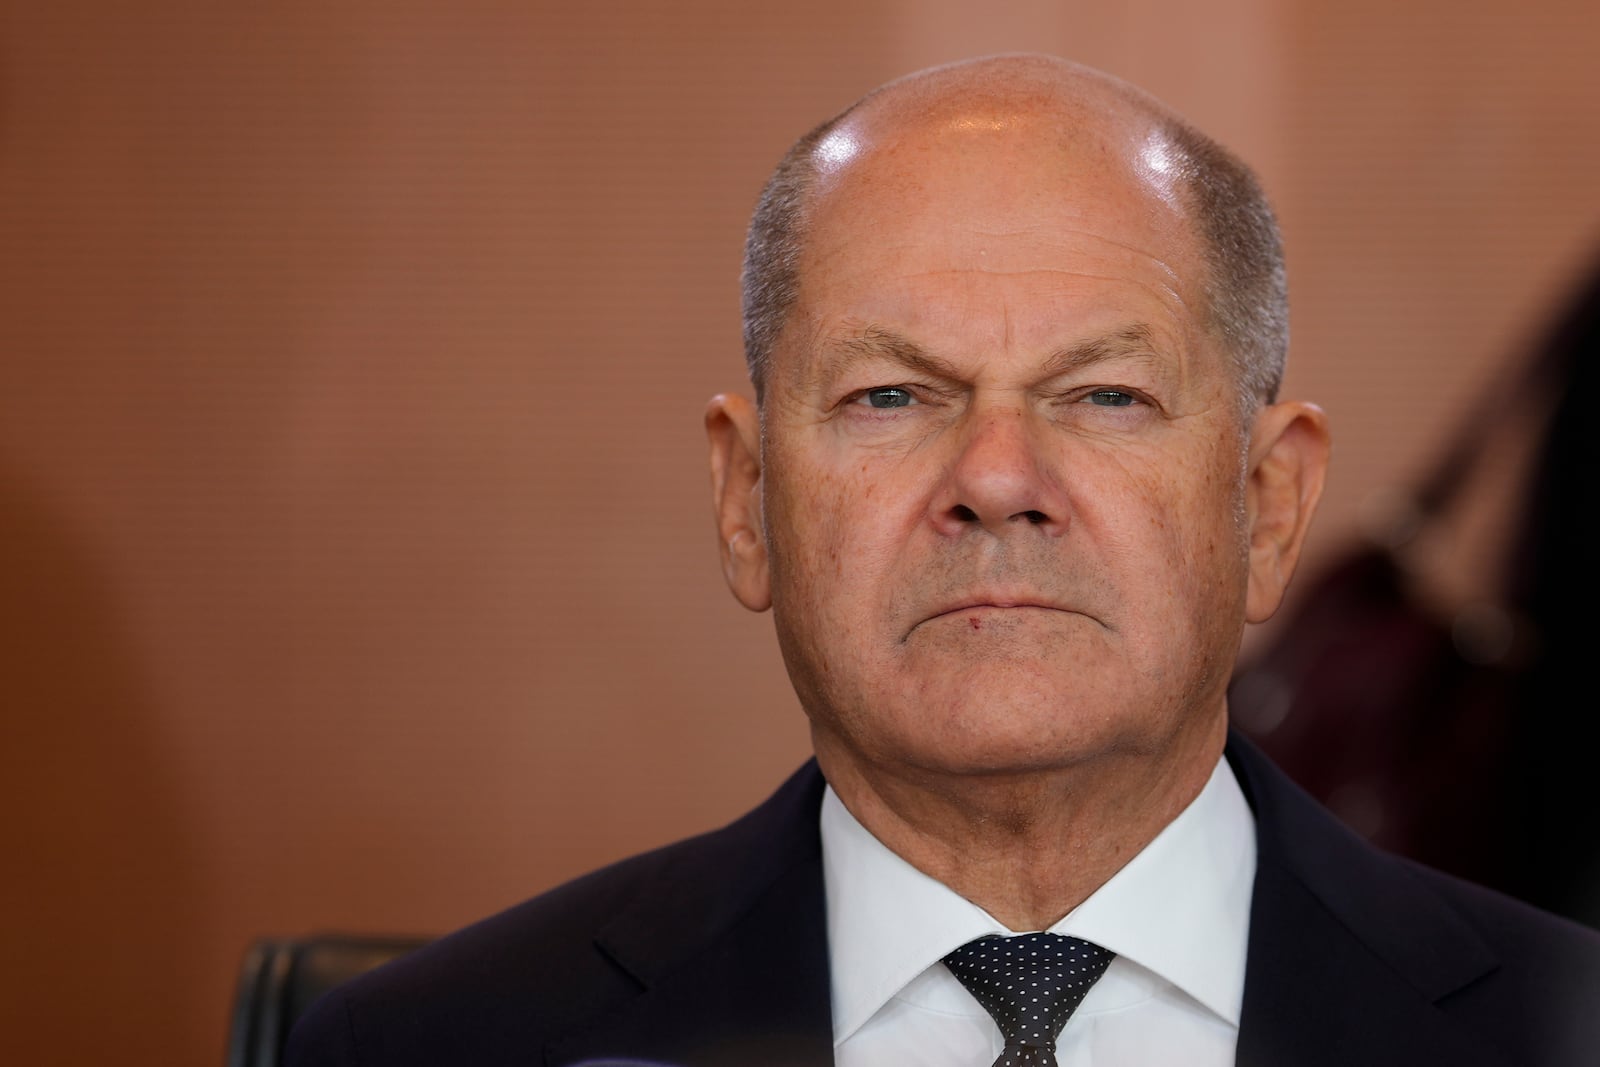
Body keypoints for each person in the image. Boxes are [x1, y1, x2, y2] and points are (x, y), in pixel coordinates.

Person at [284, 53, 1600, 1067]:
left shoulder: (1562, 1029)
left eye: (1104, 396)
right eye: (893, 398)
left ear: (1267, 506)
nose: (996, 482)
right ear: (746, 500)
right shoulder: (436, 1046)